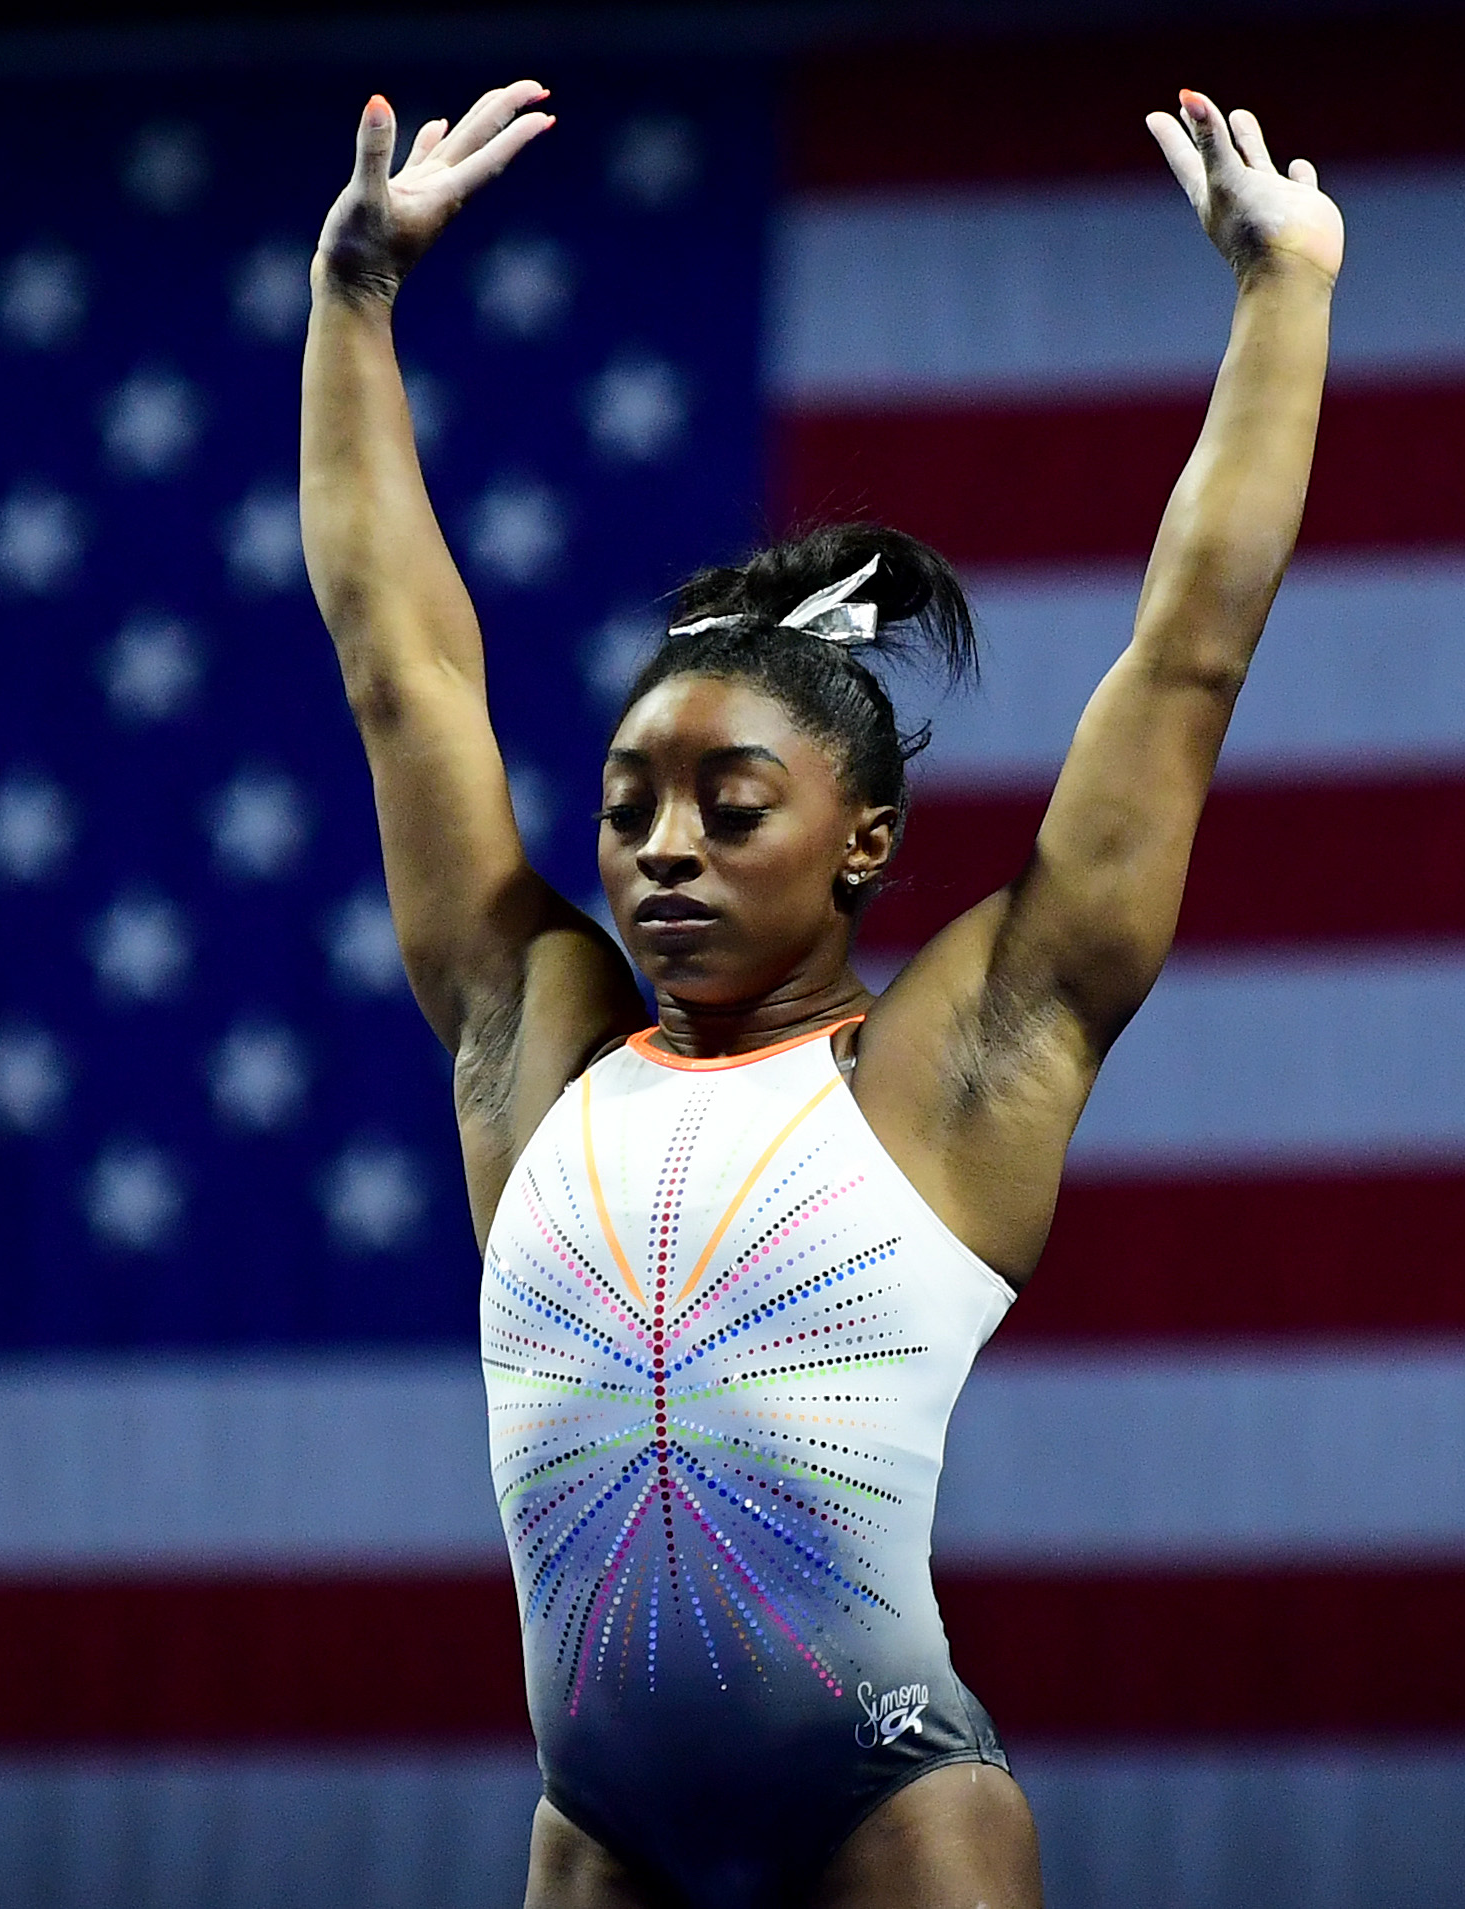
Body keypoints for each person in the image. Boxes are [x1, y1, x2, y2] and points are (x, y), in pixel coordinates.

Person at [300, 77, 1340, 1909]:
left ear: (863, 843)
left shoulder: (950, 1066)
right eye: (625, 807)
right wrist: (355, 307)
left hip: (889, 1807)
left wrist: (1285, 299)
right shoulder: (531, 1043)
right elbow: (402, 669)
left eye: (730, 805)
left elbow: (1189, 656)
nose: (661, 850)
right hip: (597, 1828)